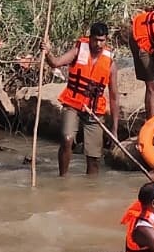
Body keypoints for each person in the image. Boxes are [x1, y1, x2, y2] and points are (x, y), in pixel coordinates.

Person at [43, 21, 119, 177]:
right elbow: (55, 63)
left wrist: (115, 129)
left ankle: (91, 188)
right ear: (89, 38)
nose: (98, 44)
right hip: (73, 104)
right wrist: (48, 53)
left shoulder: (110, 64)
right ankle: (62, 178)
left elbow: (114, 97)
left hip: (94, 111)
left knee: (94, 157)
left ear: (106, 40)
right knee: (67, 138)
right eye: (95, 40)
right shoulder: (78, 51)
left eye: (102, 40)